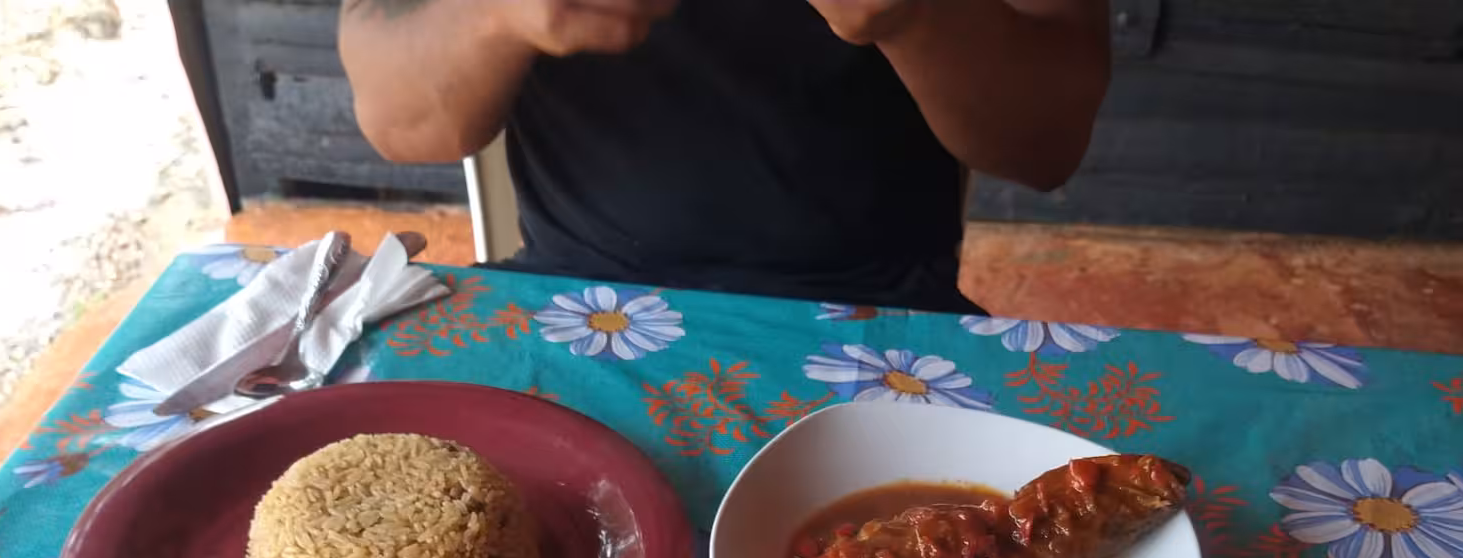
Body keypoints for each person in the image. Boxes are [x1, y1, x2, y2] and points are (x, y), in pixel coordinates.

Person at [339, 0, 1110, 314]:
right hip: (571, 290)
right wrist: (496, 15)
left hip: (883, 310)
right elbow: (403, 126)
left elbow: (1045, 146)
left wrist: (919, 15)